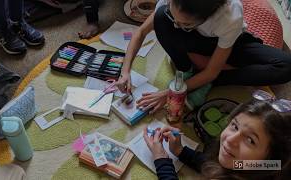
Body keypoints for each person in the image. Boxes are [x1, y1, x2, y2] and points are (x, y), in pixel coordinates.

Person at [115, 0, 291, 113]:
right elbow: (141, 32)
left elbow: (212, 72)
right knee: (160, 17)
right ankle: (189, 70)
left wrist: (169, 93)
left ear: (207, 17)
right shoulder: (171, 5)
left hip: (230, 42)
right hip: (192, 41)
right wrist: (125, 72)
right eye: (174, 16)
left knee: (286, 66)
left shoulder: (229, 16)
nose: (176, 24)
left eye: (185, 23)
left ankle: (206, 80)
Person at [144, 99, 291, 179]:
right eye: (234, 126)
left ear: (271, 156)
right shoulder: (266, 166)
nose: (230, 139)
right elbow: (217, 167)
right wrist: (181, 151)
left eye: (250, 140)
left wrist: (161, 159)